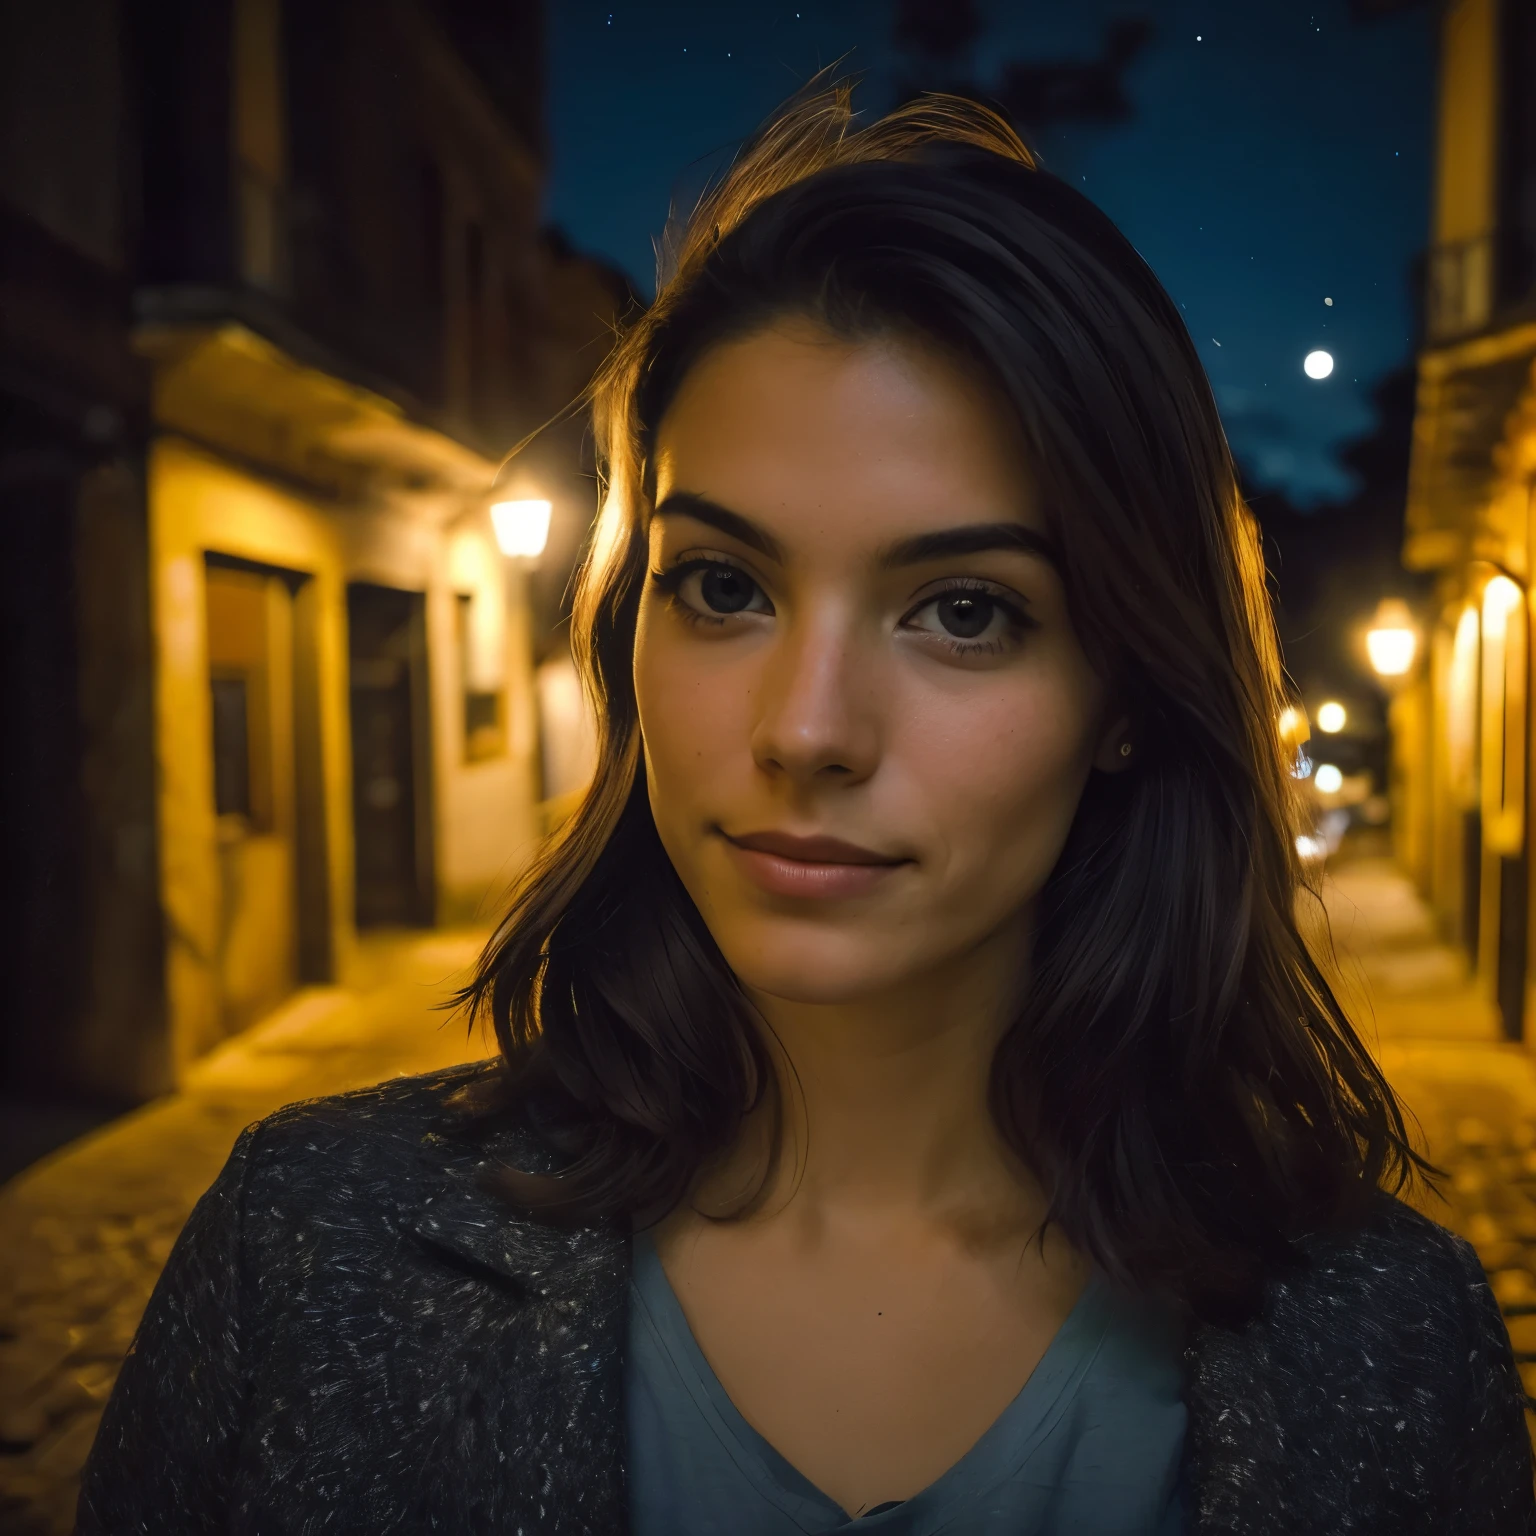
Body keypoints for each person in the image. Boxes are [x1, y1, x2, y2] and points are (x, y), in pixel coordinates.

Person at [77, 85, 1532, 1536]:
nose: (807, 729)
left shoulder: (1391, 1342)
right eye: (723, 586)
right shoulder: (304, 1248)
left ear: (1134, 693)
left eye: (964, 611)